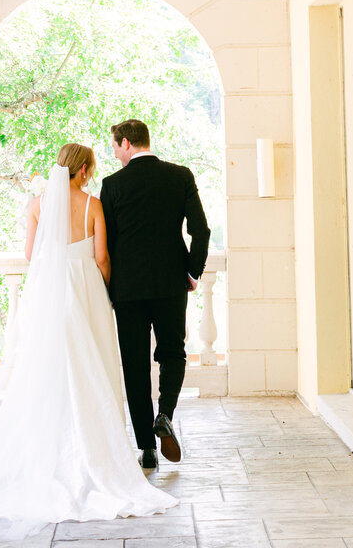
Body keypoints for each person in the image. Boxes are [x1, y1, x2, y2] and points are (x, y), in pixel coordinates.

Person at [0, 143, 176, 539]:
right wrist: (104, 293)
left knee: (49, 369)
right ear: (83, 171)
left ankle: (49, 448)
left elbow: (31, 254)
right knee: (92, 367)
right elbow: (102, 259)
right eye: (91, 169)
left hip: (51, 290)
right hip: (86, 290)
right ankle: (97, 451)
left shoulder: (37, 205)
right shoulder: (93, 206)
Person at [101, 119, 210, 471]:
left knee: (135, 366)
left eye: (116, 146)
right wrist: (192, 272)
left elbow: (108, 244)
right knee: (173, 353)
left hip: (128, 289)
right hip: (170, 284)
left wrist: (108, 287)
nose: (115, 153)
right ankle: (164, 414)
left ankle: (146, 448)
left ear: (128, 143)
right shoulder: (180, 176)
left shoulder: (112, 185)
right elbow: (201, 231)